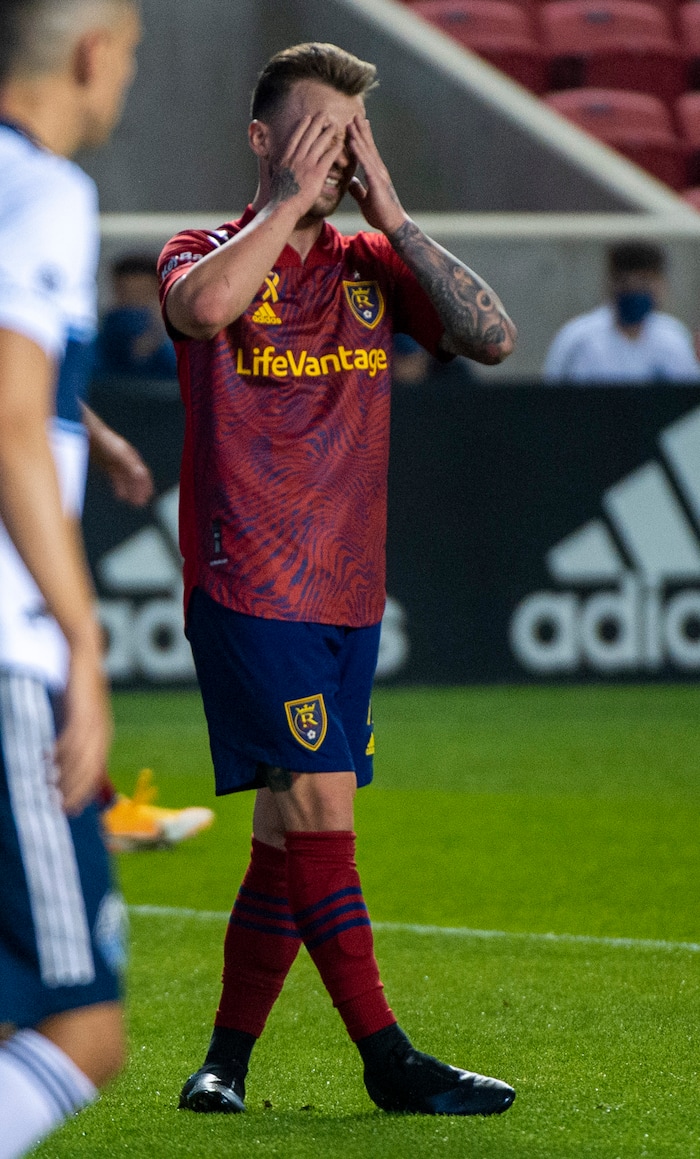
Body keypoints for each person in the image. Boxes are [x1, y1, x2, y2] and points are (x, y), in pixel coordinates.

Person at [159, 42, 517, 1119]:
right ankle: (387, 1057)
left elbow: (493, 338)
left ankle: (224, 1063)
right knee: (319, 805)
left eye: (350, 138)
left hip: (348, 593)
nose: (336, 159)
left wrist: (394, 214)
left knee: (285, 837)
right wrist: (285, 201)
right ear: (262, 140)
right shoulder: (202, 248)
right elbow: (202, 311)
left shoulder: (371, 263)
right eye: (318, 134)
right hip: (248, 582)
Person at [0, 1, 140, 1156]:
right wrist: (84, 643)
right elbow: (8, 418)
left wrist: (77, 422)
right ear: (93, 54)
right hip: (7, 646)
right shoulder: (47, 189)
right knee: (81, 1025)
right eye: (130, 53)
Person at [542, 241, 700, 384]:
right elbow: (551, 392)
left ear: (660, 285)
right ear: (610, 283)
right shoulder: (578, 338)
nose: (635, 289)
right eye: (625, 282)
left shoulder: (674, 337)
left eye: (644, 281)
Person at [96, 253, 177, 379]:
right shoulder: (112, 328)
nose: (135, 303)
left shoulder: (178, 333)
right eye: (127, 294)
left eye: (143, 294)